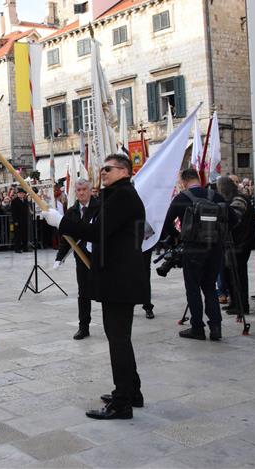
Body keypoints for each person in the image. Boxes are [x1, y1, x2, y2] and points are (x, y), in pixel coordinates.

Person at [42, 154, 149, 420]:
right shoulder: (116, 195)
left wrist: (61, 222)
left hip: (120, 278)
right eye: (102, 169)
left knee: (118, 340)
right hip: (118, 276)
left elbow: (97, 231)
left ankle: (123, 402)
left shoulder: (123, 196)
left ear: (124, 171)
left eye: (108, 169)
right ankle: (131, 391)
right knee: (120, 337)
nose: (103, 173)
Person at [161, 168, 230, 341]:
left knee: (193, 288)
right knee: (210, 287)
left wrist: (179, 237)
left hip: (192, 249)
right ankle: (216, 328)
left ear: (184, 182)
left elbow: (166, 224)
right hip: (214, 249)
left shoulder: (181, 198)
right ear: (198, 178)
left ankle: (197, 328)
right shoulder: (215, 196)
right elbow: (232, 220)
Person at [54, 179, 99, 340]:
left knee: (104, 289)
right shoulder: (72, 211)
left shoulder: (99, 207)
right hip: (81, 257)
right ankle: (83, 327)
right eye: (78, 190)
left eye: (84, 189)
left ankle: (111, 325)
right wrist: (59, 257)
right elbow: (66, 237)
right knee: (84, 293)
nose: (81, 192)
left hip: (99, 256)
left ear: (90, 190)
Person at [217, 176, 255, 316]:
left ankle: (242, 305)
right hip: (234, 243)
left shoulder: (239, 199)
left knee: (239, 275)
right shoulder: (233, 199)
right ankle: (234, 303)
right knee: (230, 275)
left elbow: (233, 219)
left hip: (241, 243)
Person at [10, 188, 30, 253]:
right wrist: (15, 221)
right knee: (18, 235)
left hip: (24, 220)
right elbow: (13, 212)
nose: (22, 194)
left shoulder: (25, 200)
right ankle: (17, 248)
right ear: (18, 194)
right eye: (20, 193)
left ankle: (25, 248)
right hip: (18, 221)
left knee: (25, 235)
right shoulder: (14, 201)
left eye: (23, 193)